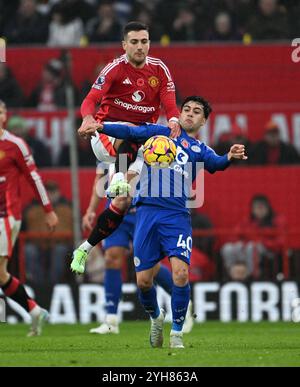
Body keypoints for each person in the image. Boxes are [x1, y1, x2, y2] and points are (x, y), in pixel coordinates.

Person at [74, 95, 247, 348]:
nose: (189, 114)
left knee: (181, 273)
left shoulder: (200, 150)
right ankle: (156, 317)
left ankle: (176, 334)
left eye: (196, 112)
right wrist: (102, 127)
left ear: (204, 121)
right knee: (144, 281)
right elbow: (130, 131)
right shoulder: (160, 134)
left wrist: (230, 156)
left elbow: (218, 164)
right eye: (186, 109)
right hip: (145, 212)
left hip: (176, 216)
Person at [83, 161, 194, 334]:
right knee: (111, 258)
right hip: (117, 206)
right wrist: (91, 209)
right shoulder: (108, 142)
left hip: (144, 209)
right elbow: (100, 177)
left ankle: (181, 299)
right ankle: (111, 320)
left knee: (150, 267)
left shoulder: (146, 141)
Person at [78, 21, 180, 198]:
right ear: (124, 45)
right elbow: (90, 99)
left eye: (144, 41)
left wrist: (174, 121)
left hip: (139, 141)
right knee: (133, 132)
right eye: (134, 42)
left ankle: (117, 179)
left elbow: (170, 105)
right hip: (105, 133)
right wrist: (87, 118)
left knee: (124, 199)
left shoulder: (159, 69)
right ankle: (117, 175)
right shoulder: (114, 68)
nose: (140, 47)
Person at [0, 100, 58, 336]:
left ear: (5, 116)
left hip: (6, 215)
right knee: (1, 275)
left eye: (1, 110)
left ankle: (34, 310)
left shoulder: (15, 144)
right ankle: (34, 310)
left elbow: (33, 178)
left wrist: (48, 209)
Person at [221, 194, 286, 280]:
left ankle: (252, 276)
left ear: (268, 208)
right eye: (256, 208)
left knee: (252, 247)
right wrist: (241, 243)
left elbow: (281, 242)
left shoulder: (277, 220)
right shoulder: (247, 221)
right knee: (227, 248)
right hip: (248, 248)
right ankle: (233, 275)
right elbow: (234, 236)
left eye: (262, 208)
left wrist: (263, 242)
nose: (259, 211)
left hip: (269, 251)